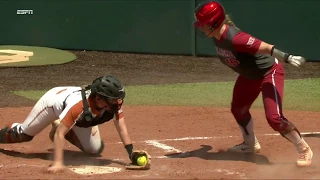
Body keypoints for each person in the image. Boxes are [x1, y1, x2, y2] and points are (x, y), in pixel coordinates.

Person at [193, 0, 312, 167]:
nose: (200, 27)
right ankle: (249, 144)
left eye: (203, 23)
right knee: (238, 109)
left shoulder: (235, 38)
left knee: (274, 119)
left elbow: (264, 47)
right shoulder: (216, 36)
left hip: (268, 72)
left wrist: (288, 57)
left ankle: (304, 149)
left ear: (213, 22)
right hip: (250, 76)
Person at [0, 74, 135, 173]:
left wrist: (131, 154)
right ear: (99, 98)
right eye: (112, 100)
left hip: (78, 116)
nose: (116, 103)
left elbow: (121, 128)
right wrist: (58, 162)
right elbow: (59, 134)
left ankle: (65, 125)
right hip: (52, 103)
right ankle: (13, 131)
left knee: (95, 149)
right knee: (23, 135)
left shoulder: (111, 106)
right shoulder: (79, 106)